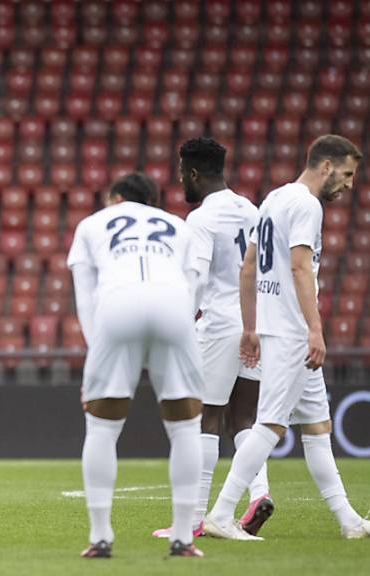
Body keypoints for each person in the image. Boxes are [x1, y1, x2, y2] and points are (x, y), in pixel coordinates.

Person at [203, 135, 370, 541]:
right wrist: (315, 329)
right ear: (325, 166)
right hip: (293, 332)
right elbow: (301, 268)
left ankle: (348, 521)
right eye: (346, 174)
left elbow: (249, 267)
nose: (349, 184)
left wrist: (252, 328)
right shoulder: (307, 205)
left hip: (275, 327)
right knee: (269, 424)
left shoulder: (273, 199)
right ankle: (220, 515)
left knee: (317, 426)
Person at [69, 173, 206, 559]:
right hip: (174, 305)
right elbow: (197, 283)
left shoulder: (92, 223)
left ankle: (101, 537)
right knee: (185, 427)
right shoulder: (178, 227)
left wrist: (98, 351)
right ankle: (182, 537)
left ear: (115, 198)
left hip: (118, 303)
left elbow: (86, 294)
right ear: (153, 203)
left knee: (101, 426)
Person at [152, 138, 273, 541]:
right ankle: (259, 494)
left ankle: (194, 519)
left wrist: (182, 322)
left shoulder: (201, 219)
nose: (178, 180)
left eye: (180, 173)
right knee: (245, 418)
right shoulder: (251, 209)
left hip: (220, 322)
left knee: (203, 418)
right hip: (255, 322)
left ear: (192, 173)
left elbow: (198, 276)